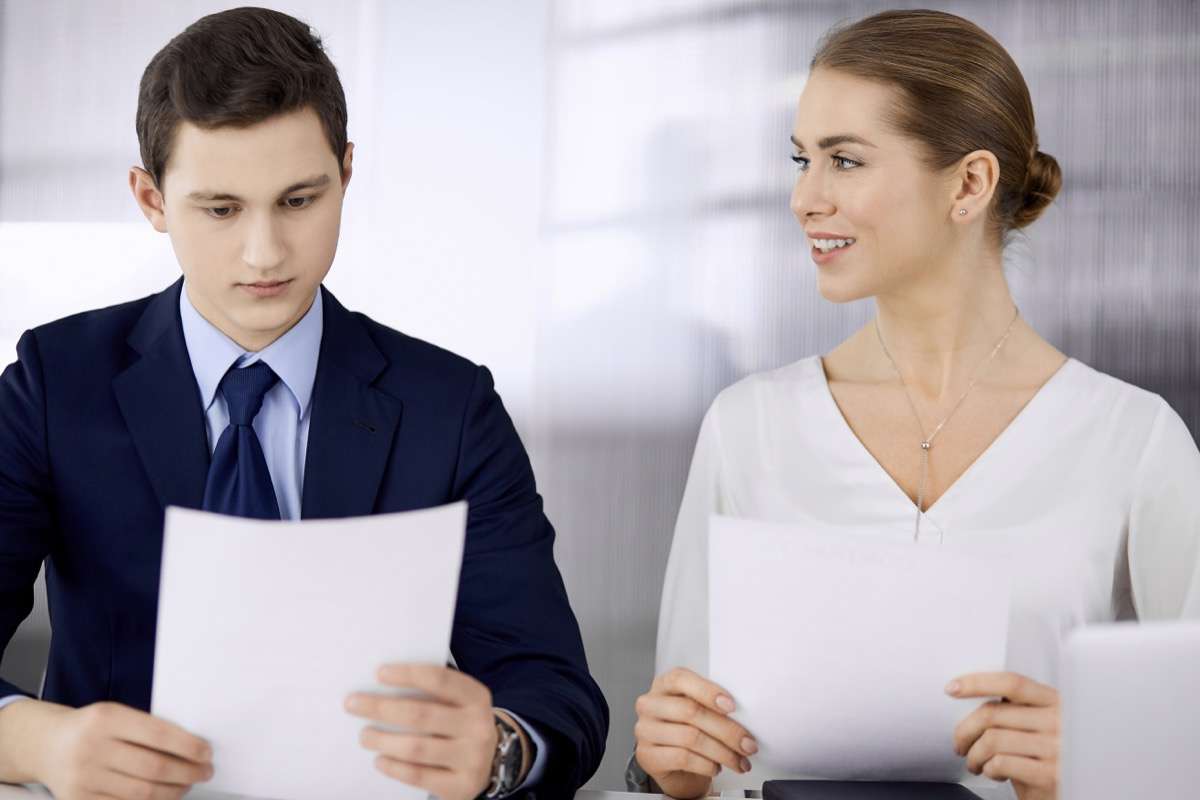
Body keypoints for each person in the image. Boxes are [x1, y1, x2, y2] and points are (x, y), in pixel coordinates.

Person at [0, 7, 607, 799]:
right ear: (151, 199)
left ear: (346, 173)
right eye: (220, 209)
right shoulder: (55, 383)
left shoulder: (450, 407)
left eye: (298, 201)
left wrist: (499, 751)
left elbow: (556, 693)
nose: (265, 254)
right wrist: (36, 743)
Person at [629, 9, 1200, 800]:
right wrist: (665, 767)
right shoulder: (747, 426)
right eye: (802, 159)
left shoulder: (1133, 441)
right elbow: (686, 753)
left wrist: (1111, 760)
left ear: (969, 183)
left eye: (845, 161)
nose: (804, 197)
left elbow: (1184, 749)